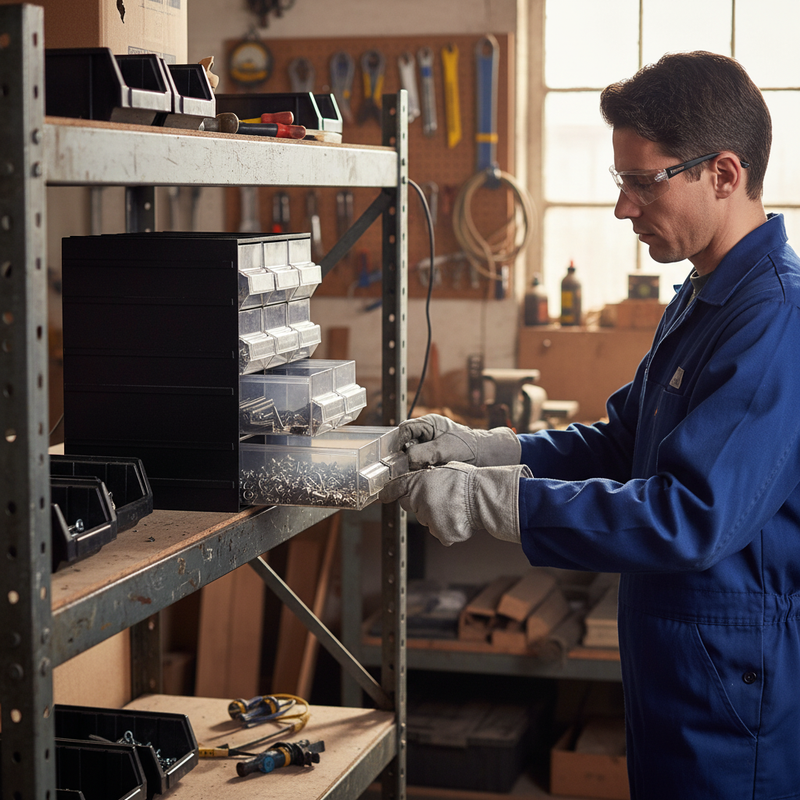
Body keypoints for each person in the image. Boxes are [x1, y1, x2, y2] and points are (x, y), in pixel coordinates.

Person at [380, 51, 800, 800]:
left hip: (734, 687)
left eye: (644, 182)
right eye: (619, 181)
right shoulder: (702, 295)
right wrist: (490, 447)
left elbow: (688, 515)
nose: (623, 208)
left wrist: (491, 500)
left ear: (724, 175)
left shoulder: (776, 320)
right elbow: (622, 443)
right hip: (677, 666)